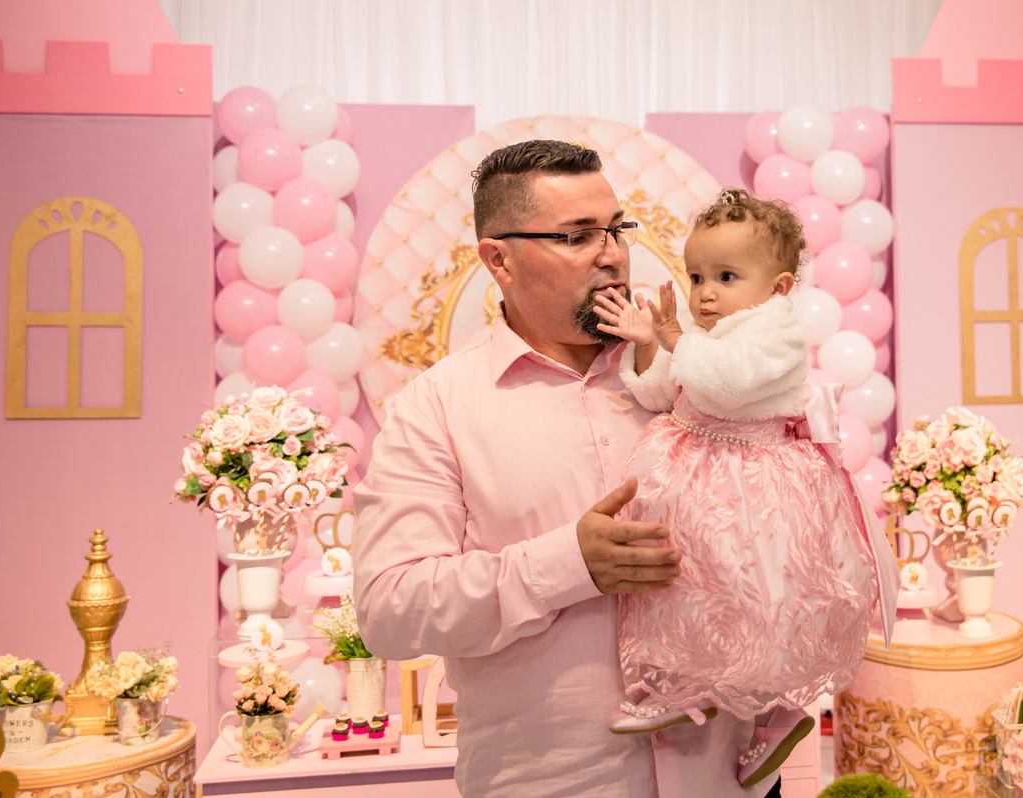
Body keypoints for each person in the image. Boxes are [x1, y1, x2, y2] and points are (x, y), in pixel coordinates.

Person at [353, 140, 785, 796]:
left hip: (727, 779)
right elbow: (390, 609)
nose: (611, 253)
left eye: (616, 229)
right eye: (578, 235)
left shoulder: (692, 373)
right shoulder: (437, 407)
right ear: (499, 258)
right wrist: (567, 566)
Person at [593, 188, 898, 788]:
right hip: (695, 474)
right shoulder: (709, 331)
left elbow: (728, 385)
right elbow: (661, 394)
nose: (705, 292)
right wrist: (649, 343)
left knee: (763, 605)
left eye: (726, 276)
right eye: (698, 275)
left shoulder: (777, 332)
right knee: (683, 589)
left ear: (779, 286)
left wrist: (678, 340)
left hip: (756, 483)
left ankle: (779, 717)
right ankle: (675, 684)